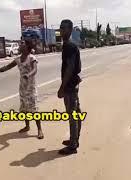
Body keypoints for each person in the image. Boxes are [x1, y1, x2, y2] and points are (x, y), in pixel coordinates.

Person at [0, 39, 44, 139]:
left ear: (27, 47)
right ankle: (27, 126)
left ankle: (39, 129)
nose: (20, 45)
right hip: (22, 88)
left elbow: (35, 70)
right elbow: (5, 68)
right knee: (24, 108)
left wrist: (28, 75)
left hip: (31, 88)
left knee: (34, 110)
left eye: (22, 44)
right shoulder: (17, 59)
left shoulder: (32, 58)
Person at [58, 19, 82, 155]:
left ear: (70, 30)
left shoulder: (69, 46)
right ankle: (74, 139)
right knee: (76, 114)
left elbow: (70, 67)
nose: (61, 30)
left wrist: (62, 87)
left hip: (69, 86)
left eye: (64, 28)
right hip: (73, 84)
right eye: (60, 28)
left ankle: (73, 145)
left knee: (73, 115)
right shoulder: (67, 45)